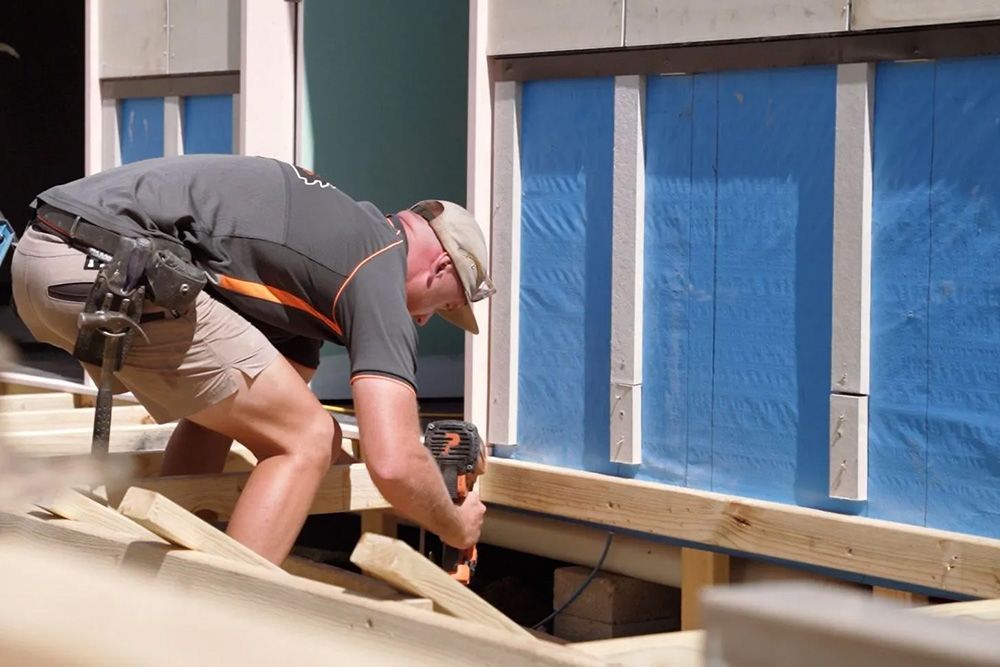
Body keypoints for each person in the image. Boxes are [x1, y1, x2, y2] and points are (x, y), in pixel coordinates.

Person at [11, 154, 493, 564]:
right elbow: (390, 466)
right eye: (446, 305)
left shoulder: (326, 254)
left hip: (44, 255)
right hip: (105, 264)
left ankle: (167, 577)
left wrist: (420, 472)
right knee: (306, 436)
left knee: (225, 415)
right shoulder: (376, 266)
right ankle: (226, 634)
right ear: (442, 267)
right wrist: (454, 525)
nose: (427, 320)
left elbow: (255, 414)